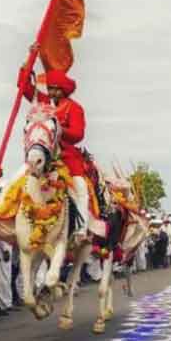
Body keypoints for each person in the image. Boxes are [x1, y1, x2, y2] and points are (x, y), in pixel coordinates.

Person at [17, 54, 103, 240]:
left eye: (56, 89)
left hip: (67, 157)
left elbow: (79, 134)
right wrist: (26, 66)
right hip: (43, 154)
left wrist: (59, 130)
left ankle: (81, 228)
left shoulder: (75, 108)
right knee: (18, 180)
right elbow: (25, 88)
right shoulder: (44, 103)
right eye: (50, 89)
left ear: (64, 90)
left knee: (80, 187)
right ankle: (7, 216)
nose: (53, 93)